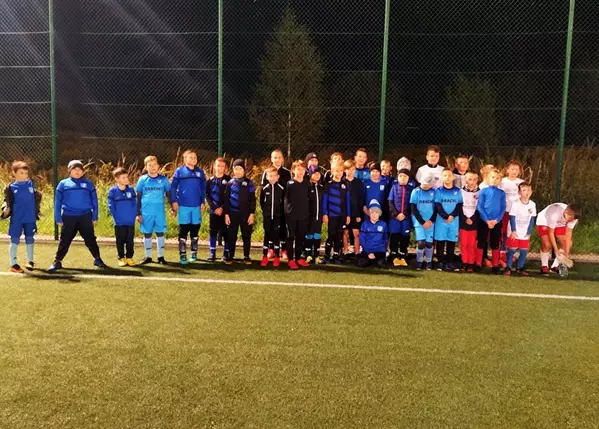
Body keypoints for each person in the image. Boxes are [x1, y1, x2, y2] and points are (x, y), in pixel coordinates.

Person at [49, 160, 106, 272]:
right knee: (65, 240)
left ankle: (97, 259)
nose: (77, 171)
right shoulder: (63, 184)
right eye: (74, 169)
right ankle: (57, 261)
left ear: (83, 171)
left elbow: (94, 201)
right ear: (69, 170)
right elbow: (57, 202)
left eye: (79, 169)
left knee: (90, 239)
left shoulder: (88, 184)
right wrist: (58, 217)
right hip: (69, 216)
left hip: (85, 216)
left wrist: (95, 216)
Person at [1, 161, 41, 273]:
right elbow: (7, 201)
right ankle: (13, 264)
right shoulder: (10, 188)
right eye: (21, 173)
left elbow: (37, 196)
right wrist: (5, 209)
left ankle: (30, 261)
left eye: (26, 173)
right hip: (17, 219)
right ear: (14, 173)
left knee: (30, 238)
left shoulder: (31, 184)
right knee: (14, 240)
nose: (24, 175)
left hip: (30, 218)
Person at [170, 150, 206, 265]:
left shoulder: (200, 172)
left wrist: (202, 202)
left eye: (195, 157)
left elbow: (203, 189)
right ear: (185, 159)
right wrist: (174, 201)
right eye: (190, 157)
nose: (193, 159)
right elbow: (173, 187)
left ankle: (194, 253)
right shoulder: (179, 171)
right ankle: (182, 254)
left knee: (195, 229)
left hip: (196, 206)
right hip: (183, 206)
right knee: (184, 230)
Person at [136, 155, 170, 265]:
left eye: (155, 164)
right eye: (150, 165)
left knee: (160, 233)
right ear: (146, 167)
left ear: (158, 166)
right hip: (146, 213)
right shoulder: (142, 180)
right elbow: (138, 197)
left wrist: (173, 206)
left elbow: (168, 194)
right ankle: (148, 257)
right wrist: (138, 213)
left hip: (159, 213)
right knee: (147, 234)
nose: (153, 167)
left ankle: (161, 257)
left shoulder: (163, 180)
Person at [261, 149, 292, 260]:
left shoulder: (287, 172)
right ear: (271, 159)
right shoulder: (266, 172)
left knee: (282, 228)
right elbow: (263, 192)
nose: (277, 159)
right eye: (275, 157)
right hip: (270, 210)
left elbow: (288, 190)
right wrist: (265, 208)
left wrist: (286, 206)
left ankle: (284, 249)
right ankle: (271, 249)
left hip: (282, 208)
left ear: (282, 159)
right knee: (270, 229)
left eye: (279, 157)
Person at [224, 159, 256, 265]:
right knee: (231, 236)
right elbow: (226, 200)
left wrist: (252, 214)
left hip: (245, 214)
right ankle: (230, 256)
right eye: (235, 169)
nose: (237, 171)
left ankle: (246, 256)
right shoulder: (230, 183)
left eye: (240, 169)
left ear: (244, 170)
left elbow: (252, 199)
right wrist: (226, 214)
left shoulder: (249, 183)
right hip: (233, 214)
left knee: (246, 235)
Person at [536, 202, 581, 275]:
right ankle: (544, 266)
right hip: (544, 220)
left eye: (572, 218)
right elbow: (551, 233)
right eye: (570, 217)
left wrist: (566, 255)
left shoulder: (574, 218)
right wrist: (556, 250)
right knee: (547, 244)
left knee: (568, 243)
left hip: (560, 223)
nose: (571, 220)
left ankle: (555, 266)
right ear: (566, 212)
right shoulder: (554, 214)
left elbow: (568, 235)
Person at [476, 169, 506, 274]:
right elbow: (480, 207)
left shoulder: (502, 193)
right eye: (493, 177)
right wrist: (486, 220)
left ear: (500, 181)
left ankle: (495, 265)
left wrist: (496, 220)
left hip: (496, 222)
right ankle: (478, 264)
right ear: (488, 178)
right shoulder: (483, 191)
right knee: (481, 242)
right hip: (484, 221)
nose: (495, 180)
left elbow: (503, 208)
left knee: (495, 243)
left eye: (497, 178)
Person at [107, 167, 137, 267]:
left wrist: (133, 215)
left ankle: (129, 257)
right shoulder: (113, 191)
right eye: (123, 177)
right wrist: (116, 217)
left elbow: (135, 203)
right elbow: (111, 206)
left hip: (130, 221)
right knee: (120, 240)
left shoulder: (131, 190)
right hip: (119, 221)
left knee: (130, 241)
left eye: (127, 177)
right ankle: (121, 257)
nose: (126, 179)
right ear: (117, 179)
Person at [434, 169, 463, 271]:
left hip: (453, 221)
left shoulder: (457, 191)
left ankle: (450, 262)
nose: (447, 177)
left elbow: (459, 205)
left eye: (449, 175)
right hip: (441, 221)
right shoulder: (438, 191)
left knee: (451, 241)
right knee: (441, 241)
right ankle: (440, 262)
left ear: (453, 177)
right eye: (445, 175)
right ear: (442, 177)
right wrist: (445, 216)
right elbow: (438, 205)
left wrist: (452, 216)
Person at [284, 160, 311, 269]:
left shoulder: (307, 184)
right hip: (291, 216)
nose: (301, 171)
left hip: (303, 215)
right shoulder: (289, 184)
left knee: (300, 236)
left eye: (303, 169)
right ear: (293, 170)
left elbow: (310, 198)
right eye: (298, 169)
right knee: (290, 237)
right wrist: (287, 211)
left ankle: (298, 258)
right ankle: (291, 259)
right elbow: (286, 198)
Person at [505, 183, 536, 276]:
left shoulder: (532, 204)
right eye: (524, 190)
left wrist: (529, 232)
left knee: (524, 250)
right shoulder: (516, 204)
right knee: (512, 250)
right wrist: (513, 230)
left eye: (528, 190)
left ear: (531, 192)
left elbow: (532, 219)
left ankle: (520, 267)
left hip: (524, 232)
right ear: (519, 192)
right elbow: (512, 217)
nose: (527, 192)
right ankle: (508, 267)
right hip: (514, 231)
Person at [323, 163, 351, 264]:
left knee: (339, 236)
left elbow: (347, 201)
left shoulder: (345, 185)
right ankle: (327, 255)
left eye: (340, 171)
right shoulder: (328, 185)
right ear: (332, 171)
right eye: (336, 171)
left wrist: (348, 215)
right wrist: (324, 213)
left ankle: (336, 255)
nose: (339, 173)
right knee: (331, 235)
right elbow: (325, 200)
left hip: (342, 215)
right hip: (332, 215)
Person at [499, 160, 524, 266]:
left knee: (513, 232)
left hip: (516, 213)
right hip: (505, 211)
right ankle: (502, 253)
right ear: (507, 170)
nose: (514, 171)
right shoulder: (502, 181)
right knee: (503, 232)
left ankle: (510, 253)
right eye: (512, 169)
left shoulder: (521, 182)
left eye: (517, 169)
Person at [206, 157, 231, 262]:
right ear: (214, 166)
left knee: (226, 232)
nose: (220, 168)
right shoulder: (210, 181)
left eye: (222, 166)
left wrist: (222, 208)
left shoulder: (229, 180)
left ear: (225, 168)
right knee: (213, 231)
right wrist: (215, 208)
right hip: (214, 211)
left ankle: (226, 253)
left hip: (225, 212)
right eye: (218, 166)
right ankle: (212, 252)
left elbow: (230, 197)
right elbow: (207, 196)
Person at [410, 173, 437, 270]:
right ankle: (419, 262)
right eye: (424, 184)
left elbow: (436, 208)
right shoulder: (415, 192)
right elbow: (413, 208)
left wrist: (431, 220)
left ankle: (429, 262)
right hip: (419, 221)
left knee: (429, 243)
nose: (426, 186)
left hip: (430, 222)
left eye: (428, 185)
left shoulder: (434, 192)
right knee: (421, 243)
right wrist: (422, 222)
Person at [388, 168, 414, 267]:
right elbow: (390, 202)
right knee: (394, 236)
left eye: (405, 176)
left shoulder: (411, 189)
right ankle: (394, 256)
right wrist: (396, 214)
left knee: (405, 236)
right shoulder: (394, 187)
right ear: (397, 178)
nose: (402, 178)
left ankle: (403, 256)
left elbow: (412, 204)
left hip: (406, 218)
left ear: (408, 178)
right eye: (400, 176)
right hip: (394, 218)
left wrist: (405, 214)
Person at [259, 167, 284, 267]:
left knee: (276, 235)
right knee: (267, 234)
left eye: (274, 176)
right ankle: (265, 256)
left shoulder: (281, 188)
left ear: (278, 177)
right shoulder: (264, 188)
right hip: (267, 216)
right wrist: (266, 211)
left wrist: (280, 212)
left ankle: (277, 256)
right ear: (267, 177)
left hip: (278, 216)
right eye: (270, 176)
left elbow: (283, 202)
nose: (272, 178)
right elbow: (261, 202)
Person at [342, 160, 364, 258]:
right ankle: (345, 252)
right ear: (344, 170)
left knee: (356, 233)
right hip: (344, 213)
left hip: (355, 212)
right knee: (345, 232)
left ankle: (357, 252)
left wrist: (359, 214)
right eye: (348, 169)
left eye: (353, 169)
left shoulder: (359, 183)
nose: (351, 171)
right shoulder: (342, 182)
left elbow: (360, 199)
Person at [459, 171, 480, 273]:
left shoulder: (480, 193)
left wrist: (472, 219)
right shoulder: (460, 192)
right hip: (463, 222)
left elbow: (479, 208)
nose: (472, 182)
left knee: (472, 244)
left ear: (477, 180)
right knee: (464, 243)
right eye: (470, 179)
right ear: (466, 180)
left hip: (474, 222)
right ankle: (464, 262)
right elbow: (459, 207)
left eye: (474, 179)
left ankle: (471, 263)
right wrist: (465, 218)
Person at [358, 200, 388, 268]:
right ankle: (370, 260)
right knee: (362, 264)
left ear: (379, 213)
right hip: (367, 250)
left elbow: (385, 239)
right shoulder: (365, 224)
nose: (374, 215)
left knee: (381, 264)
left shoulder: (383, 224)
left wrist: (383, 249)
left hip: (379, 250)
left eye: (376, 212)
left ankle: (376, 260)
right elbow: (362, 239)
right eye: (372, 212)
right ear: (369, 213)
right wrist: (368, 252)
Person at [305, 167, 325, 263]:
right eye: (314, 173)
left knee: (317, 235)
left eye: (318, 173)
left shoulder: (321, 187)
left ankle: (316, 255)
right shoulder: (307, 186)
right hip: (309, 216)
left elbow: (324, 202)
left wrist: (324, 214)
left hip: (319, 216)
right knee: (309, 235)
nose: (317, 175)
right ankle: (308, 255)